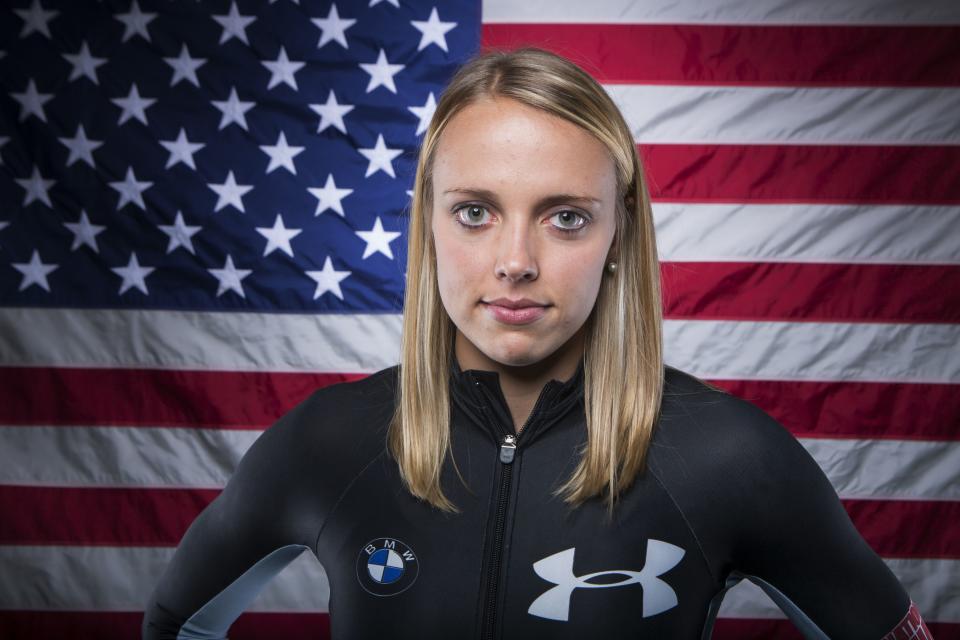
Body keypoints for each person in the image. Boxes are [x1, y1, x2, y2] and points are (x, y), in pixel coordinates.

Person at [142, 47, 932, 639]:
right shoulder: (328, 442)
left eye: (565, 217)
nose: (515, 262)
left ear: (619, 232)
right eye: (475, 212)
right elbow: (176, 619)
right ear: (427, 224)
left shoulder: (732, 457)